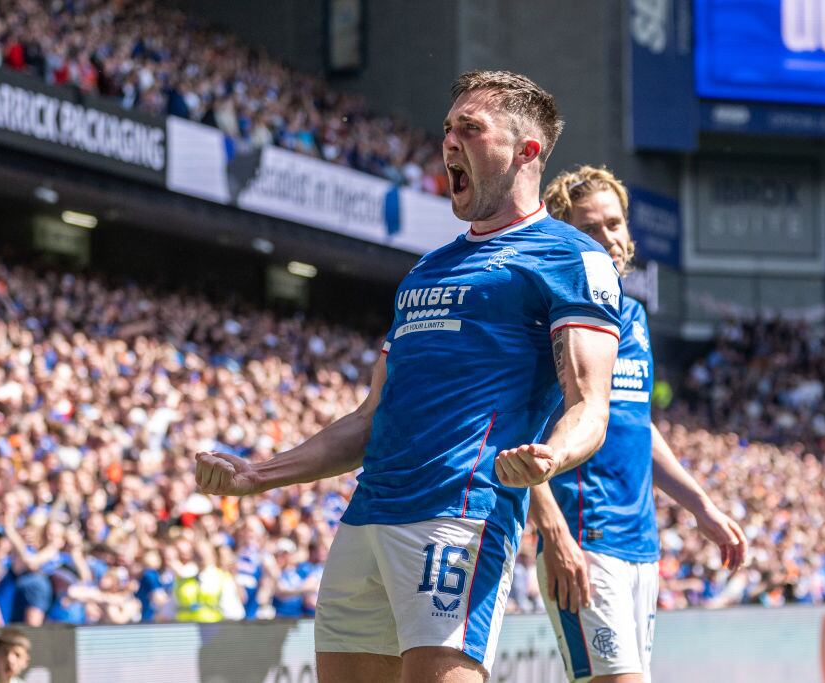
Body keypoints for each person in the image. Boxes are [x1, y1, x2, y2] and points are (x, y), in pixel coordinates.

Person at [196, 70, 623, 683]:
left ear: (527, 151)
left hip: (459, 513)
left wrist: (550, 457)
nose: (449, 142)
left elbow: (590, 406)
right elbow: (372, 418)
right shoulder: (427, 269)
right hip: (368, 515)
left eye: (470, 129)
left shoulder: (570, 257)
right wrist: (260, 473)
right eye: (448, 129)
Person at [534, 165, 749, 683]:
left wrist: (702, 507)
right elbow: (519, 433)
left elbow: (636, 427)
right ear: (565, 237)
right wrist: (554, 532)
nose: (608, 238)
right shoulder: (549, 315)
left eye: (614, 223)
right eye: (590, 228)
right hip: (584, 541)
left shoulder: (632, 315)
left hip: (642, 548)